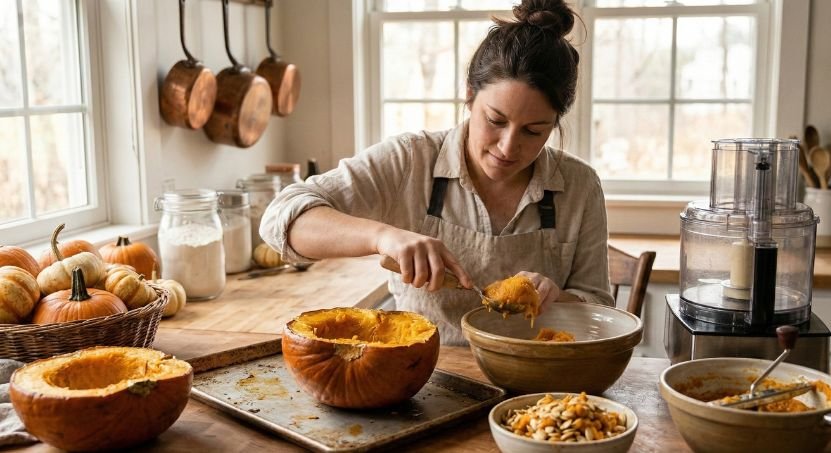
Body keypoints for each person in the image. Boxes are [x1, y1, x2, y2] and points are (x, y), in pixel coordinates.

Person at [260, 0, 613, 345]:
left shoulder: (580, 186)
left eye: (533, 131)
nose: (507, 147)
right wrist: (384, 237)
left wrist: (560, 298)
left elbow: (600, 309)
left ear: (555, 123)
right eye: (495, 121)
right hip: (422, 378)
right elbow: (281, 219)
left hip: (537, 384)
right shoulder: (410, 160)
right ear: (470, 96)